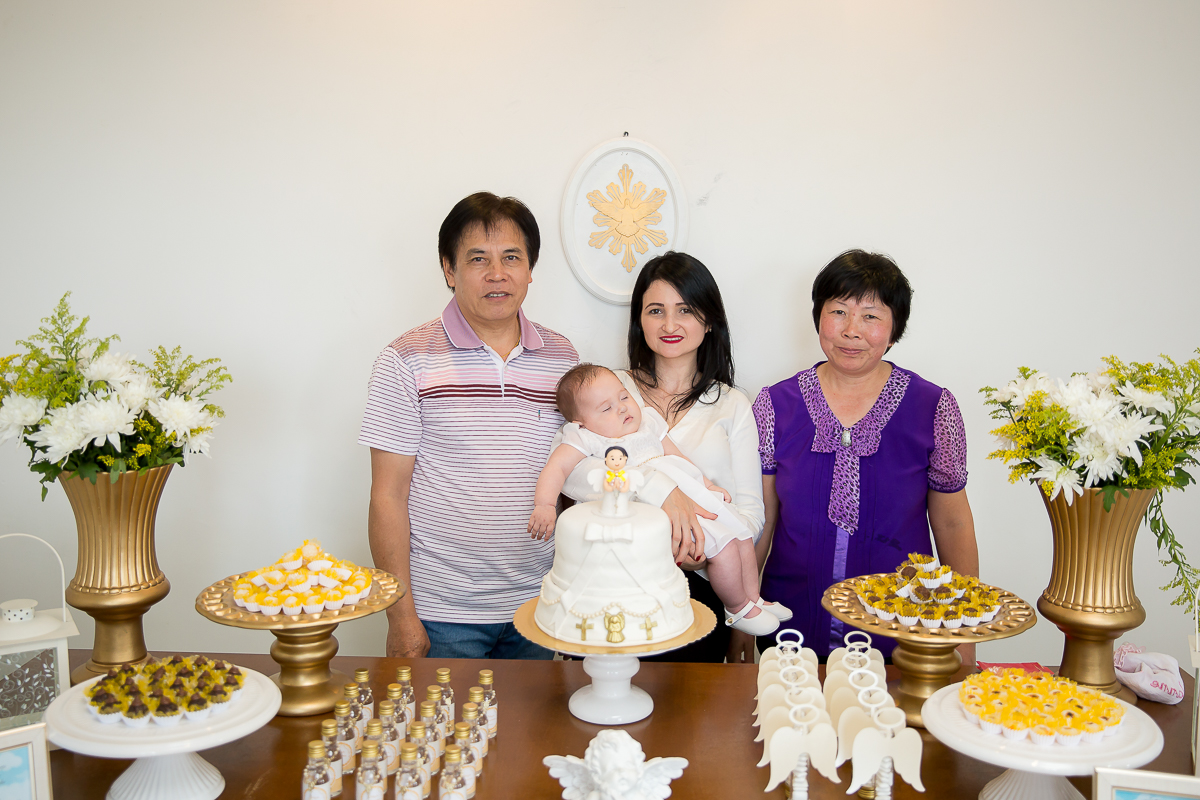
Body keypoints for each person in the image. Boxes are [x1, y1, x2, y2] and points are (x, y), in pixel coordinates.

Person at [359, 192, 578, 659]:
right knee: (445, 735)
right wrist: (401, 617)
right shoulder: (405, 359)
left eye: (511, 258)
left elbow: (575, 478)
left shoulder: (563, 359)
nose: (497, 274)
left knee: (533, 734)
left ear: (530, 269)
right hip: (442, 615)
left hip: (540, 607)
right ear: (448, 269)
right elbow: (387, 497)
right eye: (478, 259)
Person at [742, 249, 978, 662]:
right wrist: (741, 619)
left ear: (894, 328)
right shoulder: (774, 405)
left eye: (871, 315)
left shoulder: (933, 407)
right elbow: (761, 520)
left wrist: (965, 634)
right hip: (789, 634)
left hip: (903, 635)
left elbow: (953, 521)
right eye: (839, 312)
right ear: (819, 317)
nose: (852, 331)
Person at [561, 252, 767, 662]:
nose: (670, 325)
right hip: (614, 586)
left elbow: (751, 513)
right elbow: (572, 475)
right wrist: (660, 490)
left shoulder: (732, 404)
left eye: (685, 310)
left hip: (703, 593)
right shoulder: (609, 388)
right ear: (640, 319)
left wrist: (706, 551)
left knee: (689, 720)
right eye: (656, 311)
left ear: (708, 321)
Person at [530, 364, 787, 636]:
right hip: (655, 512)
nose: (621, 408)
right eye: (606, 409)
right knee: (723, 550)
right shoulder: (586, 438)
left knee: (741, 534)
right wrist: (544, 505)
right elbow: (557, 468)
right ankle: (738, 609)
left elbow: (678, 457)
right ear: (581, 423)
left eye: (624, 397)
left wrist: (707, 484)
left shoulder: (648, 421)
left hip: (689, 493)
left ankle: (753, 599)